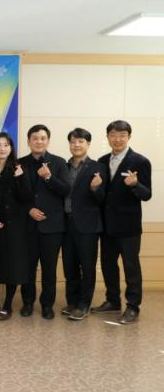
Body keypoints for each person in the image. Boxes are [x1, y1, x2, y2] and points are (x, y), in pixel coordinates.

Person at [93, 120, 151, 324]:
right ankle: (112, 301)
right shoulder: (101, 161)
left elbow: (147, 195)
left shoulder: (140, 161)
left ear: (129, 137)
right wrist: (95, 188)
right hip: (107, 225)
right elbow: (102, 194)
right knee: (108, 265)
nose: (117, 139)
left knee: (130, 267)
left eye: (122, 135)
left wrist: (135, 185)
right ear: (107, 137)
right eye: (113, 135)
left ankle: (133, 306)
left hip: (129, 226)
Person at [18, 125, 70, 319]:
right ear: (28, 141)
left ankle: (47, 305)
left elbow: (66, 190)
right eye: (35, 138)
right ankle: (27, 303)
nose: (39, 141)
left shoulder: (59, 162)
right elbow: (15, 195)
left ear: (48, 141)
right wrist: (29, 209)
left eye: (42, 138)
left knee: (49, 270)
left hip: (52, 226)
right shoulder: (20, 163)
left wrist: (48, 177)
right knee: (28, 268)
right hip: (28, 226)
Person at [0, 132, 31, 321]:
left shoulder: (19, 168)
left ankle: (7, 305)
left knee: (12, 266)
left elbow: (26, 198)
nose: (2, 148)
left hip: (14, 225)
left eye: (6, 145)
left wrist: (20, 178)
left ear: (11, 148)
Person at [59, 128, 107, 321]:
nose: (76, 145)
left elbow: (102, 199)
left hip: (88, 226)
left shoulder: (98, 167)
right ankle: (72, 301)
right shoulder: (63, 166)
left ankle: (84, 305)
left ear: (88, 144)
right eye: (73, 141)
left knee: (87, 267)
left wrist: (95, 189)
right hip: (65, 224)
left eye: (80, 141)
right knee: (69, 266)